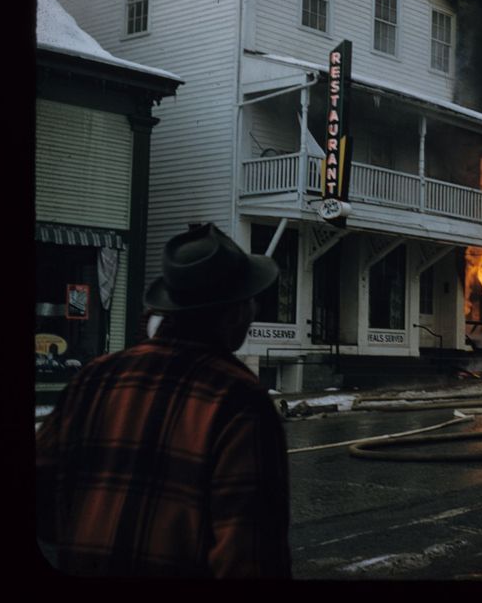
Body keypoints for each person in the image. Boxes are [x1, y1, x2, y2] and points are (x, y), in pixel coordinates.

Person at [36, 223, 292, 578]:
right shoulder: (241, 401)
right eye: (250, 301)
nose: (253, 312)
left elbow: (42, 499)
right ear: (234, 311)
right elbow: (249, 557)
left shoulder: (95, 378)